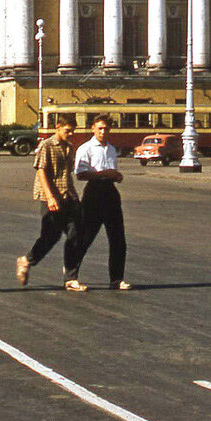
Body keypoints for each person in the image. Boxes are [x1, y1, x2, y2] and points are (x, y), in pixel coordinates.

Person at [15, 114, 87, 292]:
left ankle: (71, 278)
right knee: (50, 236)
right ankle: (27, 260)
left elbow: (67, 174)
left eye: (72, 131)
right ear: (58, 127)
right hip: (50, 197)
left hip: (68, 195)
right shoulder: (46, 146)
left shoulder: (69, 147)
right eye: (67, 131)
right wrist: (50, 197)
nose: (70, 134)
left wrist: (73, 197)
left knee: (75, 234)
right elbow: (41, 172)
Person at [74, 114, 130, 291]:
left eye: (106, 128)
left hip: (110, 193)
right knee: (86, 236)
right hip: (94, 193)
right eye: (99, 128)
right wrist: (105, 173)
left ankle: (116, 278)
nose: (103, 132)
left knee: (118, 239)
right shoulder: (86, 148)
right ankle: (71, 274)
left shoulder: (111, 149)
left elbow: (113, 172)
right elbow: (81, 174)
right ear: (93, 129)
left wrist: (116, 176)